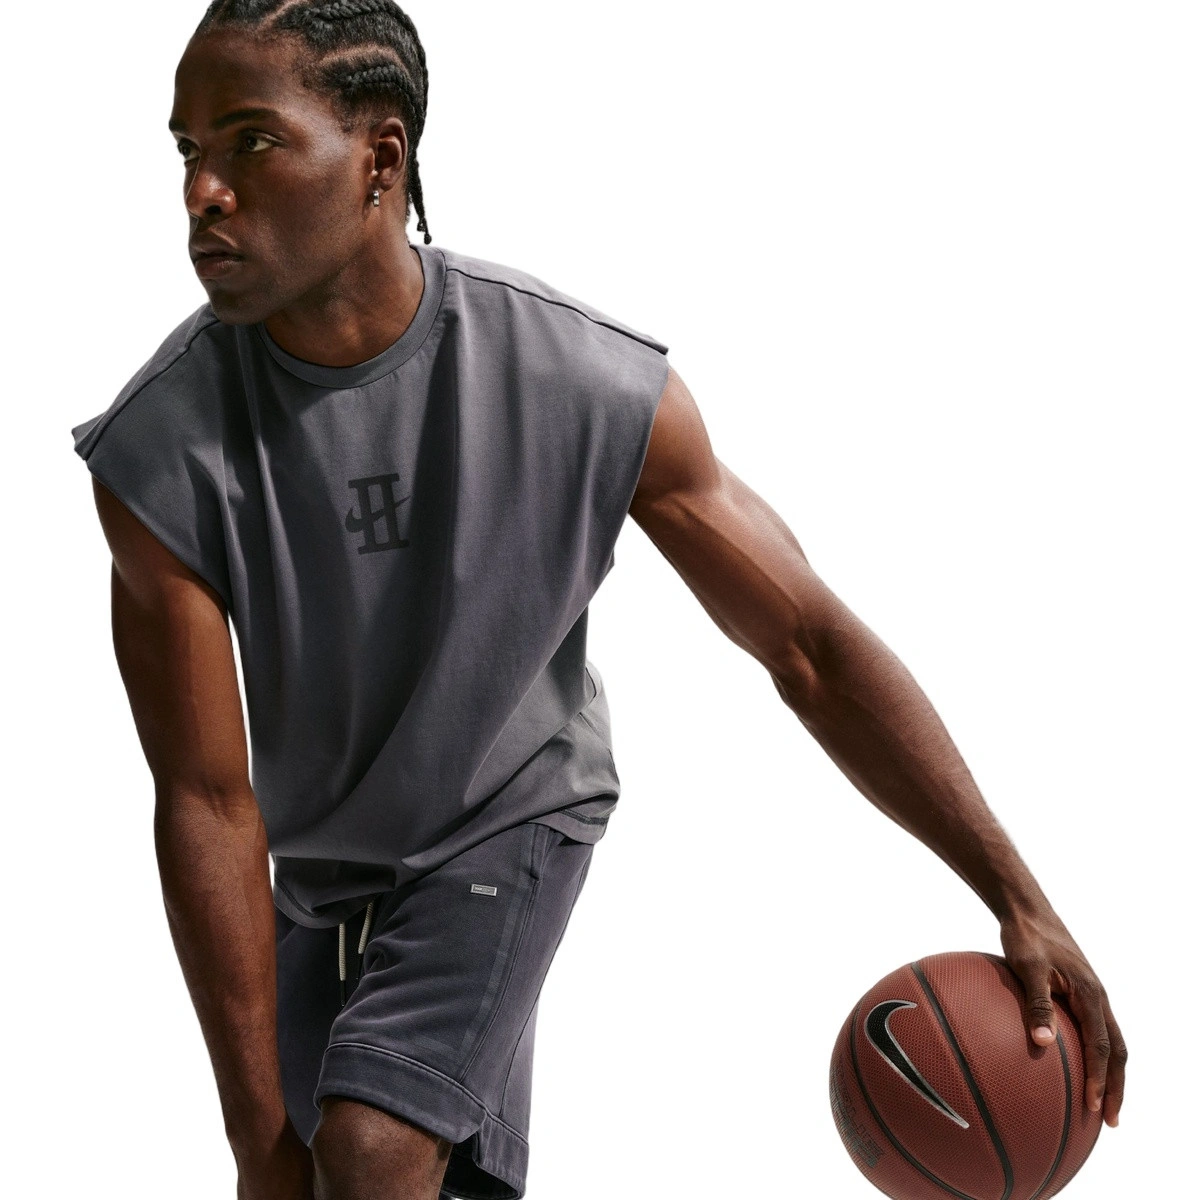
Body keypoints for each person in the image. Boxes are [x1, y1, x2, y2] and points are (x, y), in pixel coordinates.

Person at [69, 2, 1127, 1198]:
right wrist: (255, 1142)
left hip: (508, 815)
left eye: (251, 142)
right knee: (339, 1174)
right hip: (321, 872)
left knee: (371, 1151)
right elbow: (207, 800)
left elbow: (809, 647)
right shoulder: (161, 453)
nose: (203, 192)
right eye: (188, 151)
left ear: (379, 159)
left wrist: (1017, 896)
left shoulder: (576, 380)